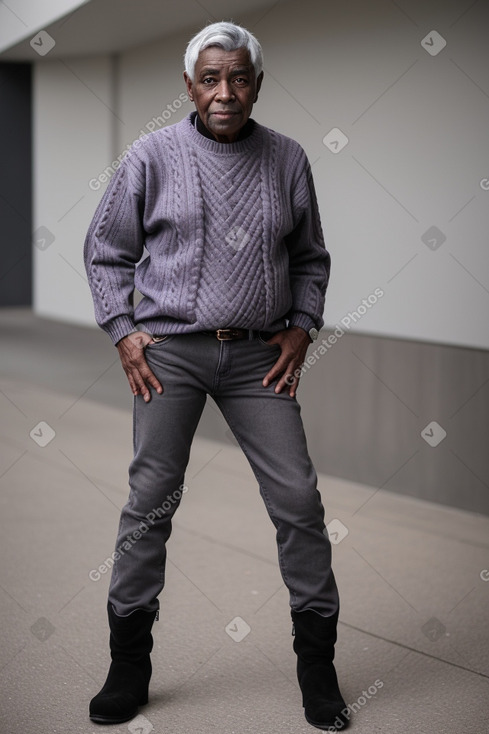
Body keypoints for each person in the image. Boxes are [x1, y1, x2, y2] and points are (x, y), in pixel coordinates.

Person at [84, 21, 348, 731]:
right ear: (188, 86)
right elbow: (106, 253)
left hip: (259, 357)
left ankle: (317, 668)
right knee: (151, 501)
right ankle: (128, 665)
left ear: (256, 85)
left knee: (298, 500)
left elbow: (311, 257)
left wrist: (302, 322)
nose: (224, 92)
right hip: (170, 352)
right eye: (210, 78)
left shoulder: (288, 159)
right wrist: (124, 330)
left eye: (238, 78)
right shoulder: (150, 155)